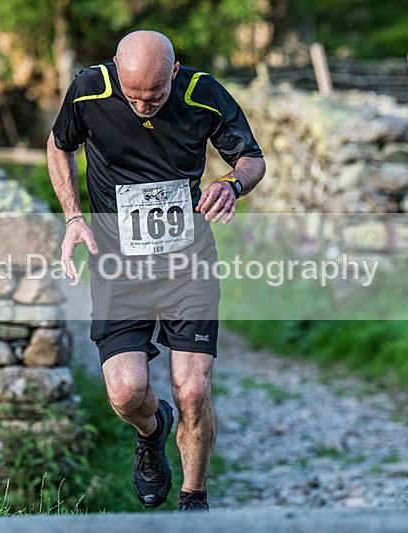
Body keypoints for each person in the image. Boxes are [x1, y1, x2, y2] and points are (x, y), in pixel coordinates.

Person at [47, 30, 265, 511]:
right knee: (127, 393)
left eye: (156, 95)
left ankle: (194, 500)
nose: (144, 106)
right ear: (116, 73)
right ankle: (152, 430)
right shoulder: (89, 90)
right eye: (134, 96)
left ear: (174, 71)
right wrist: (74, 217)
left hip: (187, 263)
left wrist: (231, 183)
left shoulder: (202, 93)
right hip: (117, 266)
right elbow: (59, 144)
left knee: (192, 390)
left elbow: (252, 158)